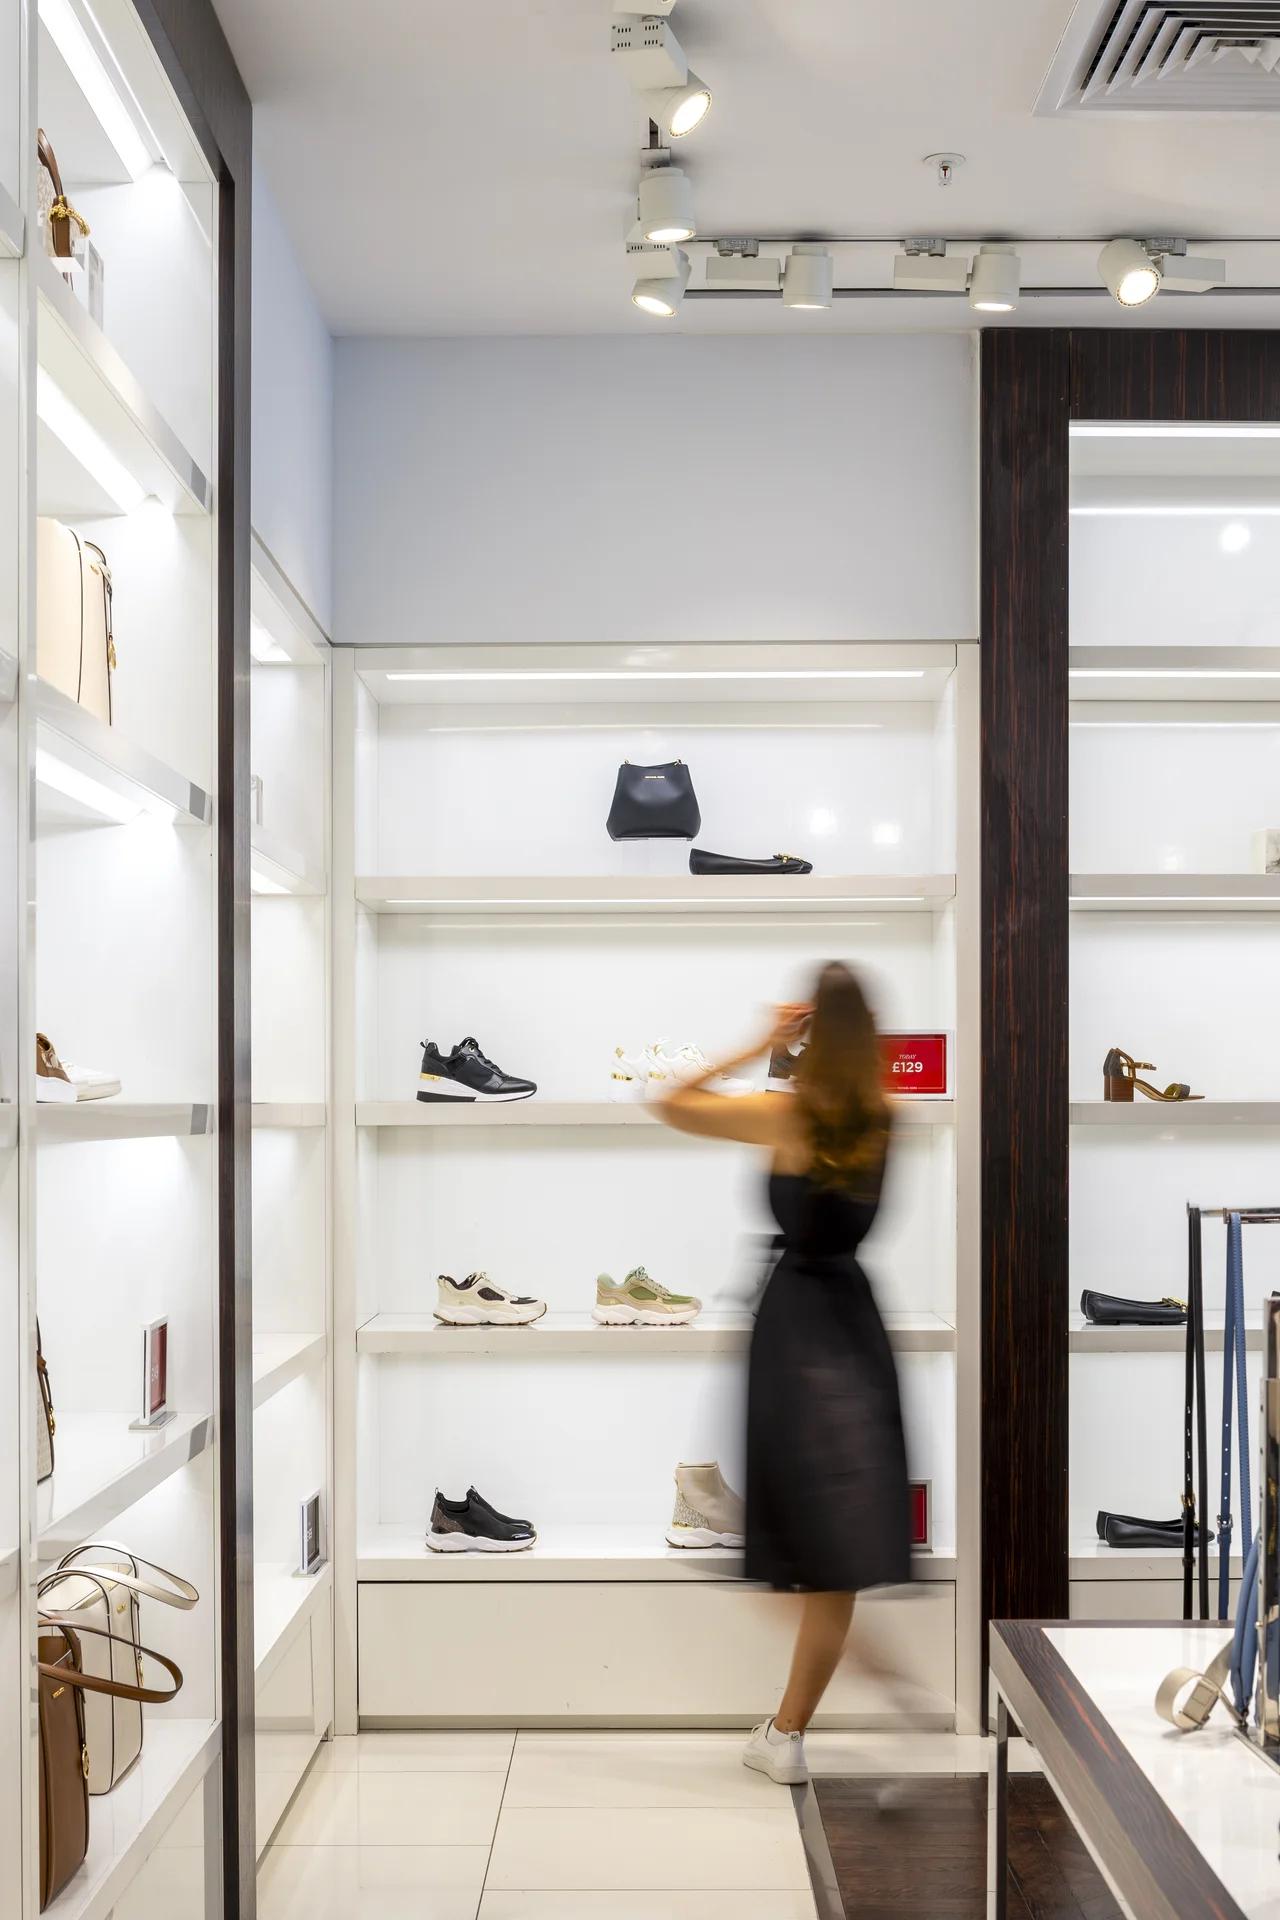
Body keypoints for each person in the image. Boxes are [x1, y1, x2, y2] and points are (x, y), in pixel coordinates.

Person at [653, 961, 911, 1783]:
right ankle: (792, 1729)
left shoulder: (784, 1114)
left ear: (809, 1035)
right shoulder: (885, 1118)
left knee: (787, 1542)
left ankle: (820, 1716)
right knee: (832, 1553)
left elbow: (669, 1103)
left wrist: (756, 1044)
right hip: (857, 1325)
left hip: (794, 1327)